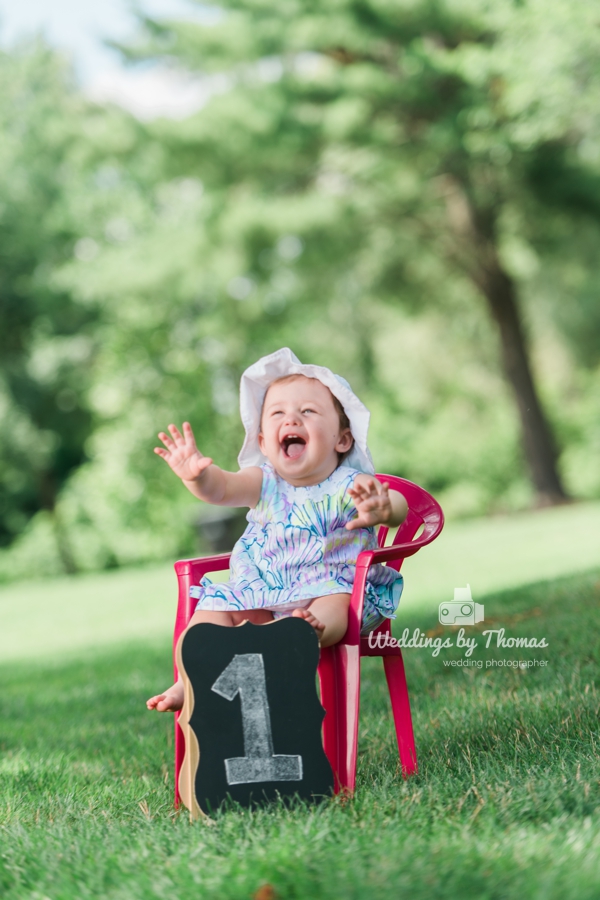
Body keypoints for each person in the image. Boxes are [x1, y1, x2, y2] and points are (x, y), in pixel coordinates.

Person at [147, 348, 408, 712]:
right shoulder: (263, 482)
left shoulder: (351, 482)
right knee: (213, 605)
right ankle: (190, 678)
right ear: (264, 444)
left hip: (335, 589)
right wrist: (199, 476)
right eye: (278, 413)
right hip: (265, 597)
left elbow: (399, 506)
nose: (292, 420)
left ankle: (311, 634)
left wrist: (384, 508)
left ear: (342, 440)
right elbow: (221, 489)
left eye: (308, 411)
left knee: (336, 600)